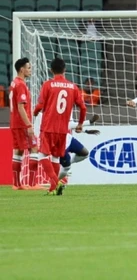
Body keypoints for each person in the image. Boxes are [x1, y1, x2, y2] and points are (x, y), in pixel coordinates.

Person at [33, 57, 87, 196]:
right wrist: (80, 123)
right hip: (63, 130)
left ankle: (54, 182)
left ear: (51, 70)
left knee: (42, 155)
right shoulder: (73, 87)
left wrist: (35, 112)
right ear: (65, 70)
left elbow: (40, 105)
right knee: (56, 158)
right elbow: (83, 107)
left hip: (48, 127)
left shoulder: (48, 85)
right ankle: (52, 189)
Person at [9, 58, 40, 190]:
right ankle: (32, 184)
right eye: (28, 67)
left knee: (18, 151)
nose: (30, 70)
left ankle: (17, 184)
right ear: (22, 69)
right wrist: (29, 125)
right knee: (34, 148)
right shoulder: (21, 84)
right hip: (22, 124)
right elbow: (21, 107)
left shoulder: (14, 83)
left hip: (14, 123)